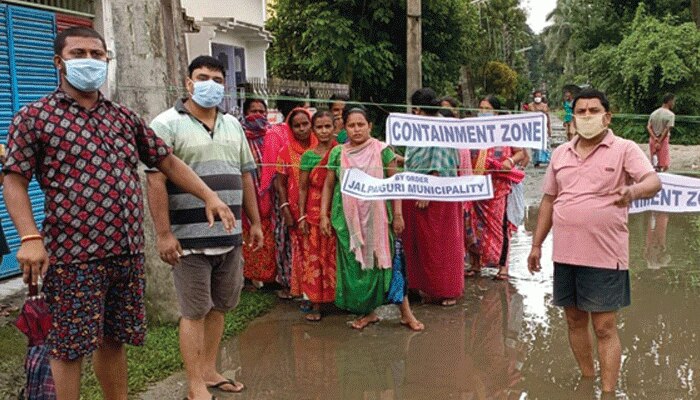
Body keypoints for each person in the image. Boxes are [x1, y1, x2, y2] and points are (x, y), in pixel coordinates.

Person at [2, 28, 235, 400]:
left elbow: (165, 160)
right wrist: (30, 238)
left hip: (124, 254)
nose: (91, 61)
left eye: (98, 54)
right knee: (70, 346)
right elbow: (14, 179)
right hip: (73, 257)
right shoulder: (35, 117)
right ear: (59, 63)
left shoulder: (122, 118)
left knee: (114, 341)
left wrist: (208, 194)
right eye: (80, 53)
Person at [527, 89, 661, 394]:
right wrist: (536, 245)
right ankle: (587, 381)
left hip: (605, 254)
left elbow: (653, 181)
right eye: (581, 111)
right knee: (574, 321)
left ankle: (609, 391)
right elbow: (548, 200)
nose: (587, 116)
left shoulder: (624, 149)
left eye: (593, 110)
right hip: (565, 254)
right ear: (572, 118)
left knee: (604, 327)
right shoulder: (561, 154)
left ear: (607, 116)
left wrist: (633, 191)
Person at [146, 56, 263, 399]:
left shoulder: (233, 124)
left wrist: (254, 222)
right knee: (194, 311)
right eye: (202, 77)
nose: (209, 84)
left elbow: (245, 176)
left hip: (230, 236)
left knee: (220, 307)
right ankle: (195, 383)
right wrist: (164, 233)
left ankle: (210, 370)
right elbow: (155, 182)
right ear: (188, 82)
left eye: (215, 78)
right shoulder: (165, 123)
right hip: (189, 240)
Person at [320, 107, 423, 331]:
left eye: (360, 124)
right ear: (344, 128)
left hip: (379, 220)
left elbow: (395, 185)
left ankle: (406, 313)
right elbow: (329, 184)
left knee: (389, 264)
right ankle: (369, 313)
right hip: (347, 221)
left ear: (370, 126)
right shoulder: (338, 153)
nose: (356, 130)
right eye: (351, 125)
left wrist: (397, 215)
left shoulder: (383, 151)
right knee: (358, 267)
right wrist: (323, 215)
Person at [403, 88, 464, 306]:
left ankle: (446, 290)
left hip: (436, 194)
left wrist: (429, 189)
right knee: (415, 242)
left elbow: (441, 160)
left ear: (418, 109)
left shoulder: (441, 127)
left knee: (438, 243)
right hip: (413, 188)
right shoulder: (419, 127)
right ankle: (417, 286)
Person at [465, 95, 528, 281]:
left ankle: (503, 267)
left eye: (487, 108)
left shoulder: (506, 130)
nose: (483, 112)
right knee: (472, 226)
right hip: (475, 187)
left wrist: (509, 161)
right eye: (481, 108)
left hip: (498, 188)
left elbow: (520, 154)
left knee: (499, 227)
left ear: (496, 112)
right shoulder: (472, 131)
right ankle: (475, 264)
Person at [258, 91, 306, 298]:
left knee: (292, 239)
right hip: (286, 194)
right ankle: (291, 283)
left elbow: (268, 172)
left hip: (295, 195)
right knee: (287, 237)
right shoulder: (278, 134)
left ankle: (296, 283)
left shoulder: (280, 133)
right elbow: (275, 172)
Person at [274, 108, 318, 299]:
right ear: (290, 128)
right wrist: (285, 210)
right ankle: (305, 293)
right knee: (301, 252)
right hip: (295, 208)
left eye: (305, 124)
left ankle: (323, 294)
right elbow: (280, 183)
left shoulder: (323, 147)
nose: (302, 129)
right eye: (297, 126)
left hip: (319, 208)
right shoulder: (285, 152)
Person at [298, 110, 338, 321]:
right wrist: (302, 216)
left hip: (337, 210)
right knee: (314, 257)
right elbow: (303, 188)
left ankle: (338, 299)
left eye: (327, 126)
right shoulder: (309, 156)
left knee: (335, 256)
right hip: (313, 212)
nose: (324, 131)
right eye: (319, 127)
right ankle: (315, 303)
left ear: (335, 128)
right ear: (314, 130)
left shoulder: (340, 152)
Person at [240, 97, 278, 286]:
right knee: (249, 232)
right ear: (245, 114)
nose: (258, 115)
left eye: (262, 112)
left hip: (270, 193)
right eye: (253, 111)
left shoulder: (271, 135)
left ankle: (270, 277)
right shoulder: (240, 136)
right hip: (247, 191)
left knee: (269, 231)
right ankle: (251, 277)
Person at [647, 93, 675, 172]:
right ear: (669, 101)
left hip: (653, 140)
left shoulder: (654, 113)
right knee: (664, 164)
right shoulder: (670, 115)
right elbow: (666, 129)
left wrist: (654, 138)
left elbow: (648, 127)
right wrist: (659, 141)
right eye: (673, 101)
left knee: (655, 163)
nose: (673, 103)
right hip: (663, 140)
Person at [528, 90, 552, 167]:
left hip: (543, 128)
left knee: (545, 143)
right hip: (534, 128)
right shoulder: (530, 105)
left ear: (541, 97)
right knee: (535, 145)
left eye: (539, 96)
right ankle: (536, 161)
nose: (538, 98)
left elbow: (547, 117)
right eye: (536, 96)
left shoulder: (545, 106)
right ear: (534, 97)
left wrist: (549, 128)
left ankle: (547, 160)